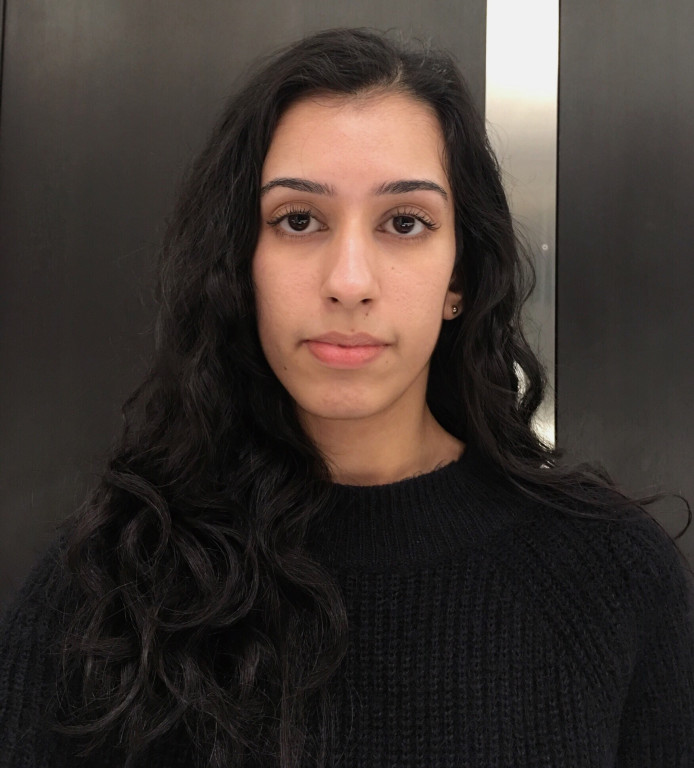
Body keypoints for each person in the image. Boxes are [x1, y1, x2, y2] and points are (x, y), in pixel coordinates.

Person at [1, 27, 693, 768]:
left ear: (460, 277)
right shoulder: (104, 587)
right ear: (240, 263)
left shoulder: (611, 578)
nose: (349, 281)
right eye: (298, 220)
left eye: (405, 223)